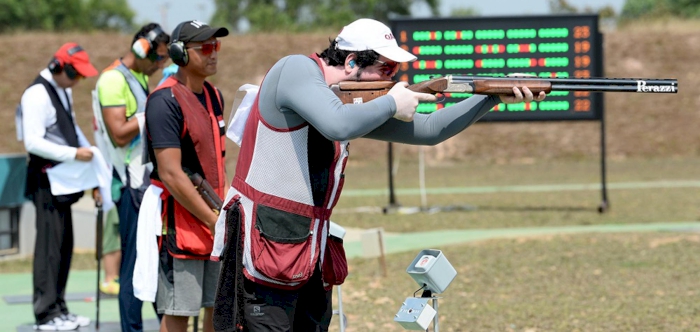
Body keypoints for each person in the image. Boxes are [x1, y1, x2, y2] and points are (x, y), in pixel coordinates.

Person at [210, 18, 547, 331]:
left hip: (307, 257)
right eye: (385, 68)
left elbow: (429, 130)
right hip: (262, 256)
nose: (392, 78)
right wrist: (391, 103)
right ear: (352, 62)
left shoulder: (346, 102)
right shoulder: (295, 69)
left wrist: (491, 97)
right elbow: (336, 123)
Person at [143, 20, 229, 332]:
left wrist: (222, 214)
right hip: (181, 221)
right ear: (180, 53)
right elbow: (171, 174)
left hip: (212, 217)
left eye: (216, 46)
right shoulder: (164, 101)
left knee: (218, 307)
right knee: (180, 309)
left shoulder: (214, 95)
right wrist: (212, 219)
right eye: (205, 48)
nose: (214, 53)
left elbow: (218, 162)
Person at [92, 23, 170, 332]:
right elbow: (120, 134)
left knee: (151, 264)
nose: (161, 63)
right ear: (141, 49)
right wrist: (152, 109)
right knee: (133, 267)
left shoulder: (138, 77)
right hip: (128, 184)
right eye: (159, 57)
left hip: (143, 183)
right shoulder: (112, 80)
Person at [19, 42, 100, 331]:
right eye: (75, 74)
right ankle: (45, 313)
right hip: (45, 182)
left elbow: (71, 128)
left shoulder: (61, 91)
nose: (78, 81)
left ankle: (59, 307)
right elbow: (33, 141)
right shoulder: (36, 95)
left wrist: (86, 150)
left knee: (64, 245)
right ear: (58, 67)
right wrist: (74, 154)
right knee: (48, 249)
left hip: (63, 181)